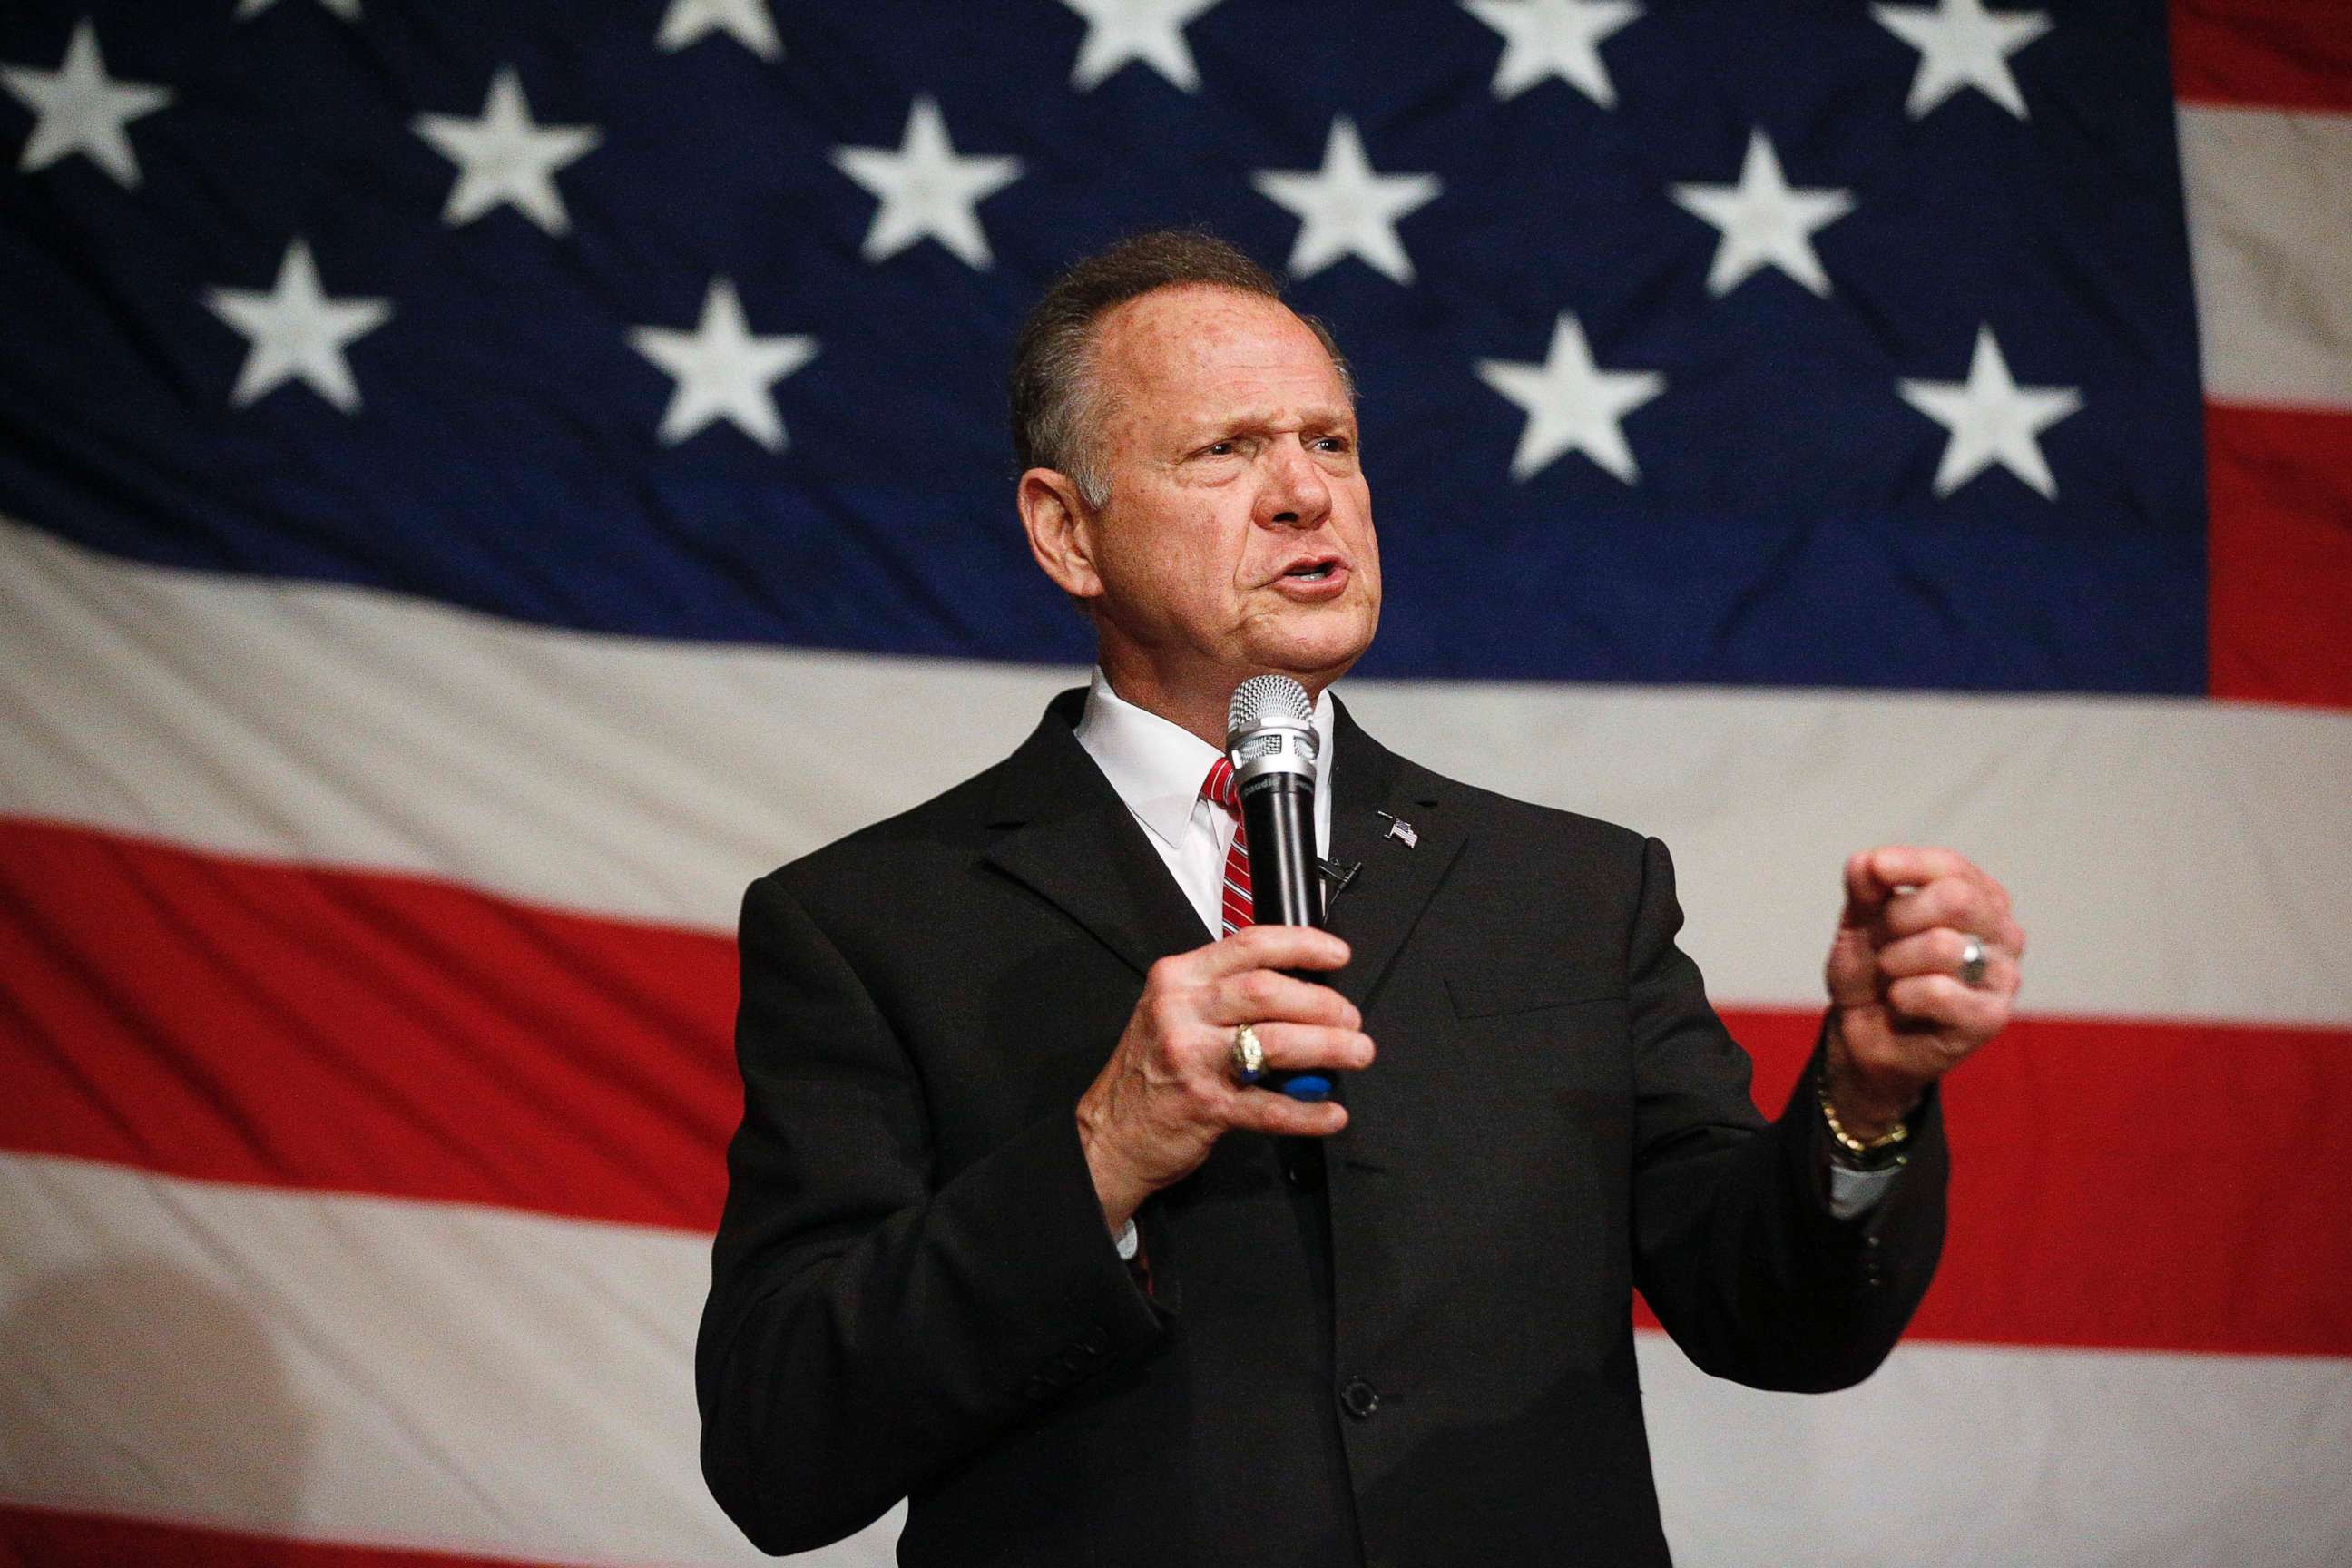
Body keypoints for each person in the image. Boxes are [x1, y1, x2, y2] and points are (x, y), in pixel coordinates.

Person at [696, 231, 2025, 1566]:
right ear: (1065, 531)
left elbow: (1784, 1324)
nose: (1302, 496)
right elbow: (778, 1451)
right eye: (1224, 451)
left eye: (1328, 443)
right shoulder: (871, 919)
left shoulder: (1574, 889)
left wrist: (1865, 1099)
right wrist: (1101, 1154)